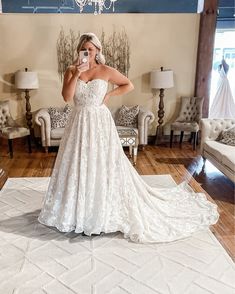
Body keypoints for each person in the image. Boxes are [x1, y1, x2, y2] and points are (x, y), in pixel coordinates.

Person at [38, 33, 219, 243]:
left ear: (98, 51)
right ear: (80, 50)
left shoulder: (106, 70)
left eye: (92, 49)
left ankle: (101, 209)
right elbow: (67, 97)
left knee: (102, 163)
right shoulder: (71, 70)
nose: (88, 53)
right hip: (78, 122)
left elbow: (127, 85)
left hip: (99, 122)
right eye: (85, 49)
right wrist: (76, 73)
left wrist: (108, 96)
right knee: (77, 164)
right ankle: (75, 211)